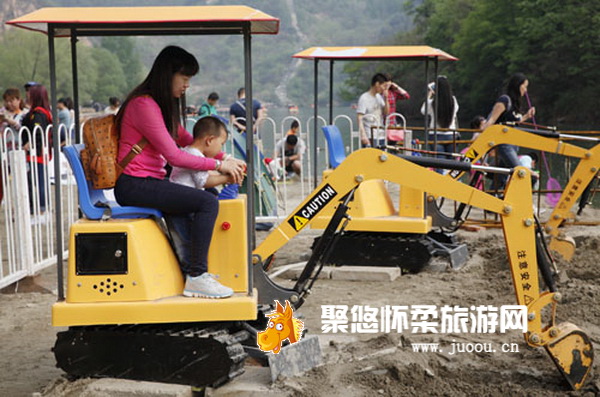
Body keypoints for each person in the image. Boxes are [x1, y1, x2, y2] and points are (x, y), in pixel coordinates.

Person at [113, 45, 245, 299]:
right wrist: (219, 165)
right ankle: (197, 275)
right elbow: (175, 155)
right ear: (168, 75)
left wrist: (226, 157)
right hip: (134, 183)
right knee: (207, 202)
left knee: (192, 200)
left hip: (148, 181)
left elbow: (187, 139)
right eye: (184, 79)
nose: (186, 86)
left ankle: (193, 273)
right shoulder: (144, 105)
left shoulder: (158, 106)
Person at [169, 117, 239, 287]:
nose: (221, 149)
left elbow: (205, 177)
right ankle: (191, 275)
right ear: (209, 140)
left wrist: (226, 175)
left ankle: (194, 274)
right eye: (221, 143)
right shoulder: (193, 155)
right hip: (180, 208)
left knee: (189, 240)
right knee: (185, 242)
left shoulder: (192, 152)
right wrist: (227, 178)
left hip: (185, 204)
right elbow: (203, 181)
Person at [482, 73, 536, 194]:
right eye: (524, 86)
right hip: (504, 143)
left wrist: (527, 116)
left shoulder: (515, 103)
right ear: (518, 86)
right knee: (519, 172)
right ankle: (521, 201)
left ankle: (490, 202)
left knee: (501, 176)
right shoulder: (504, 100)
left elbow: (515, 121)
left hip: (514, 143)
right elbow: (492, 119)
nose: (525, 90)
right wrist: (482, 139)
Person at [21, 84, 53, 220]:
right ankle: (40, 209)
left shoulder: (38, 114)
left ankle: (41, 211)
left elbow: (38, 134)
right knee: (39, 181)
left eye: (30, 92)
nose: (27, 94)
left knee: (38, 182)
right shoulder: (42, 112)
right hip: (40, 153)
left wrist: (30, 144)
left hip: (37, 154)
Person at [420, 76, 460, 167]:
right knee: (452, 165)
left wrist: (429, 94)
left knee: (439, 164)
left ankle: (440, 178)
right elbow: (456, 111)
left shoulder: (432, 103)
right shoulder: (453, 100)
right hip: (451, 135)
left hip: (435, 135)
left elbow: (423, 111)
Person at [357, 73, 388, 148]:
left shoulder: (379, 97)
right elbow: (359, 117)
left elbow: (386, 112)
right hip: (370, 135)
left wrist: (386, 99)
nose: (384, 88)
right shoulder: (364, 98)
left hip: (381, 134)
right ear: (377, 84)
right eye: (383, 86)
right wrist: (363, 135)